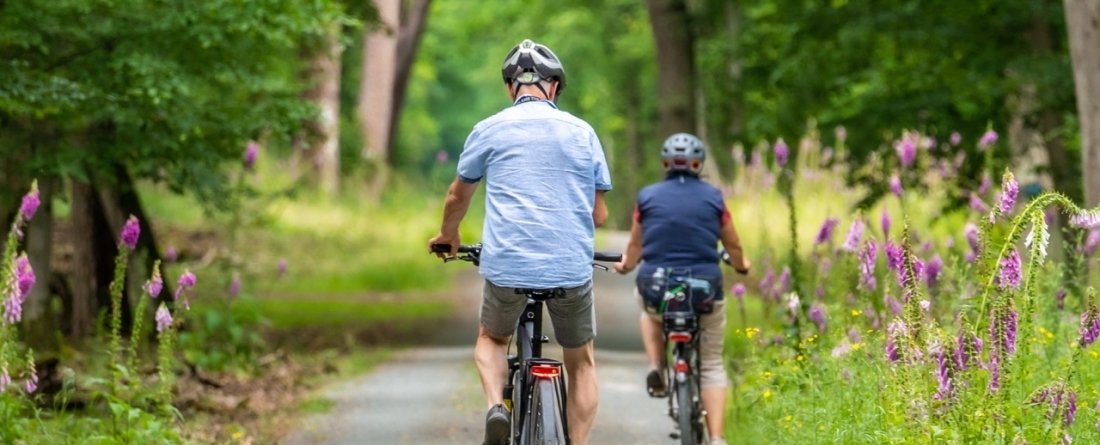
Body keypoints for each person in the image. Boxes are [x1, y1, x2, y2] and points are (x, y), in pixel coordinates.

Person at [427, 38, 612, 445]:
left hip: (507, 266)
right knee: (581, 363)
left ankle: (497, 406)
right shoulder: (583, 133)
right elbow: (599, 215)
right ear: (555, 87)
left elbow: (458, 195)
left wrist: (448, 235)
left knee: (492, 338)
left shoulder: (488, 129)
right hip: (569, 270)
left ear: (511, 88)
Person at [613, 133, 750, 445]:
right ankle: (716, 438)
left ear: (665, 163)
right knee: (712, 364)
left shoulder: (647, 196)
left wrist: (626, 265)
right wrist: (742, 265)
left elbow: (635, 244)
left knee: (647, 311)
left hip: (656, 286)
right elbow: (733, 243)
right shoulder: (715, 198)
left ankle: (656, 366)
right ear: (698, 163)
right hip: (704, 289)